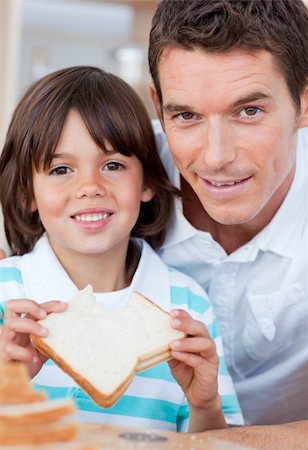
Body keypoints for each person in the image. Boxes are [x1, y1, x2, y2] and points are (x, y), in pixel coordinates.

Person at [0, 66, 242, 432]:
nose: (90, 186)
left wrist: (205, 404)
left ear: (146, 180)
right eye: (61, 169)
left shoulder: (187, 305)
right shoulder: (7, 296)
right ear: (25, 192)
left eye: (112, 165)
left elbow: (221, 441)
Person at [147, 0, 308, 447]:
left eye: (249, 111)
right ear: (158, 107)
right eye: (187, 116)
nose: (216, 157)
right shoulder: (118, 181)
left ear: (304, 101)